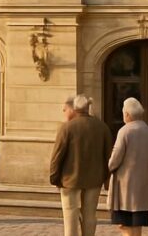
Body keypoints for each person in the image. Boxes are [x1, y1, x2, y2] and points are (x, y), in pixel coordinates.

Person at [50, 94, 115, 236]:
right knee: (90, 215)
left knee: (70, 216)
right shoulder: (102, 127)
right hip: (94, 178)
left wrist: (54, 177)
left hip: (69, 179)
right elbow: (108, 156)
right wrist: (107, 179)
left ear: (75, 109)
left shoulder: (67, 128)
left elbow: (57, 156)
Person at [108, 97, 148, 236]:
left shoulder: (125, 131)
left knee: (126, 225)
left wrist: (110, 166)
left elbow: (115, 158)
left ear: (127, 114)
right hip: (143, 185)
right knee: (137, 226)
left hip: (126, 187)